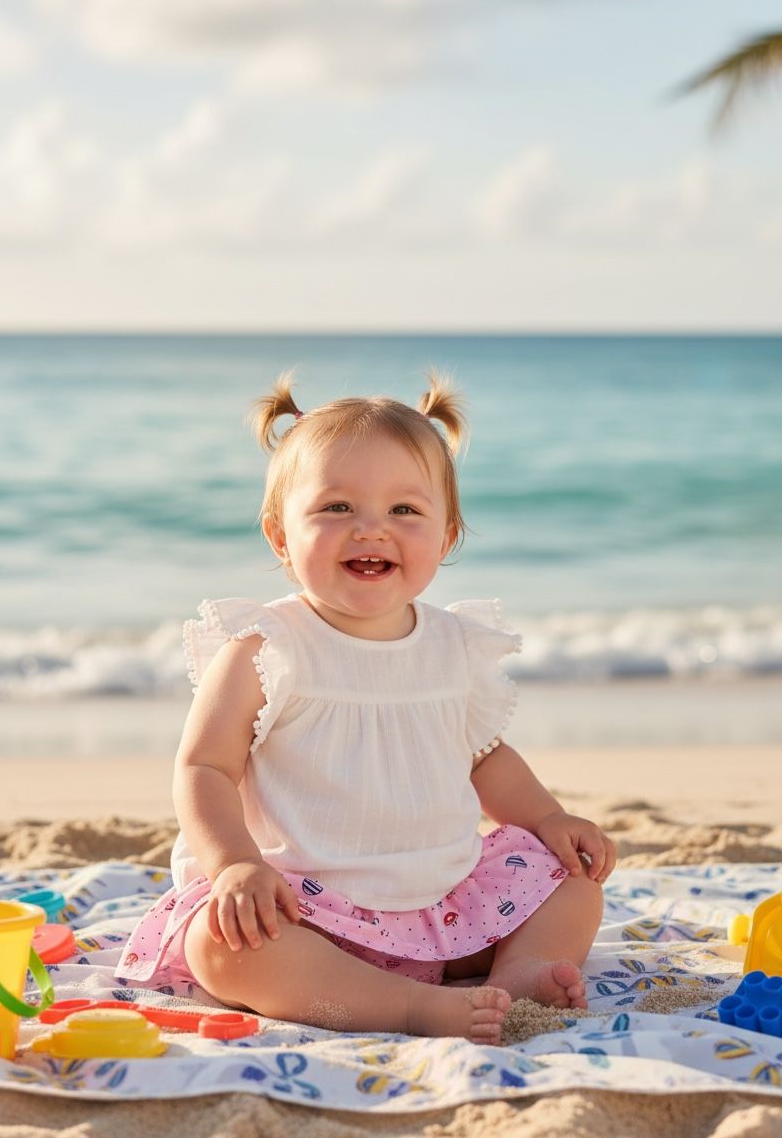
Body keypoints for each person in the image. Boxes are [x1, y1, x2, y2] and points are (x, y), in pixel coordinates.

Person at [117, 371, 616, 1046]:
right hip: (304, 911)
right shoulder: (268, 647)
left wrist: (550, 819)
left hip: (444, 908)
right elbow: (204, 766)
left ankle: (520, 972)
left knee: (573, 878)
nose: (371, 529)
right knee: (222, 946)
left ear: (446, 537)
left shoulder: (453, 645)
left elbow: (483, 756)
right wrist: (235, 863)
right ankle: (409, 1007)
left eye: (404, 510)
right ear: (280, 537)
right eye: (337, 507)